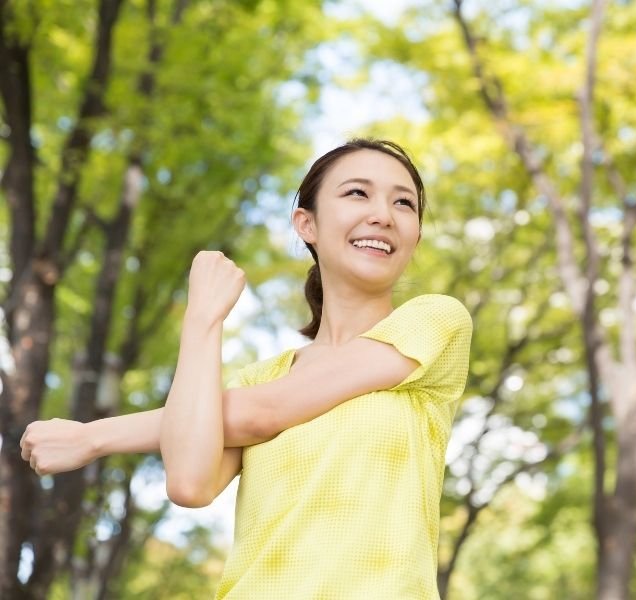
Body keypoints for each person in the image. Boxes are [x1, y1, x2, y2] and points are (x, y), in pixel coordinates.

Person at [20, 138, 473, 599]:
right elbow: (190, 481)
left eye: (404, 202)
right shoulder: (258, 379)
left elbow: (262, 413)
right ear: (307, 224)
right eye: (358, 193)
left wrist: (91, 437)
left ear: (415, 234)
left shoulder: (435, 322)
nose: (383, 214)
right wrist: (203, 319)